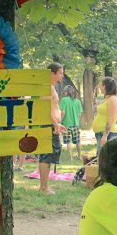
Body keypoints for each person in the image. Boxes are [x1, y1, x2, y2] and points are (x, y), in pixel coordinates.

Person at [38, 62, 67, 195]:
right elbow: (45, 109)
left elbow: (53, 108)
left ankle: (45, 186)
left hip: (53, 125)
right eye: (60, 72)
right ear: (52, 73)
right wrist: (55, 124)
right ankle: (43, 187)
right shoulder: (47, 88)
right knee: (46, 156)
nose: (62, 75)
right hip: (48, 126)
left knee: (50, 156)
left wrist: (58, 122)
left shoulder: (52, 88)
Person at [92, 77, 117, 155]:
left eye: (100, 85)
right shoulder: (107, 99)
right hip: (100, 133)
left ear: (104, 86)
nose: (99, 86)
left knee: (105, 161)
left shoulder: (113, 100)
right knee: (101, 159)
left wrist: (105, 136)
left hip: (107, 134)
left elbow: (110, 120)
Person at [60, 85, 83, 161]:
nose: (64, 93)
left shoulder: (64, 100)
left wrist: (60, 121)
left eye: (64, 91)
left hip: (66, 124)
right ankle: (79, 156)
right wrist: (77, 122)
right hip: (76, 124)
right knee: (78, 140)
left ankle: (71, 158)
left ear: (67, 92)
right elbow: (80, 114)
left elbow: (63, 112)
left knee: (68, 141)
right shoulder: (78, 101)